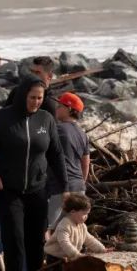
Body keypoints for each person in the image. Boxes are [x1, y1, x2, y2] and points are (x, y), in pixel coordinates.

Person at [0, 79, 67, 271]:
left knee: (36, 237)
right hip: (7, 190)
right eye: (32, 97)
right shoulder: (3, 118)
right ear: (23, 95)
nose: (36, 102)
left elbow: (55, 154)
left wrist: (65, 187)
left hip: (37, 189)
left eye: (40, 98)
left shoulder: (46, 120)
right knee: (14, 236)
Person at [46, 91, 91, 230]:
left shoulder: (57, 129)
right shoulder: (82, 134)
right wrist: (81, 182)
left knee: (46, 227)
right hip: (78, 186)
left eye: (60, 105)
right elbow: (86, 163)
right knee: (69, 228)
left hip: (59, 186)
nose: (56, 108)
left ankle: (42, 252)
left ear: (70, 109)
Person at [44, 193, 108, 261]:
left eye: (87, 214)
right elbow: (64, 243)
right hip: (56, 256)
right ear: (73, 212)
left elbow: (89, 239)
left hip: (70, 255)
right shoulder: (64, 225)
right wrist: (76, 254)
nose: (86, 216)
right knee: (61, 270)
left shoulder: (82, 226)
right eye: (84, 214)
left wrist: (102, 249)